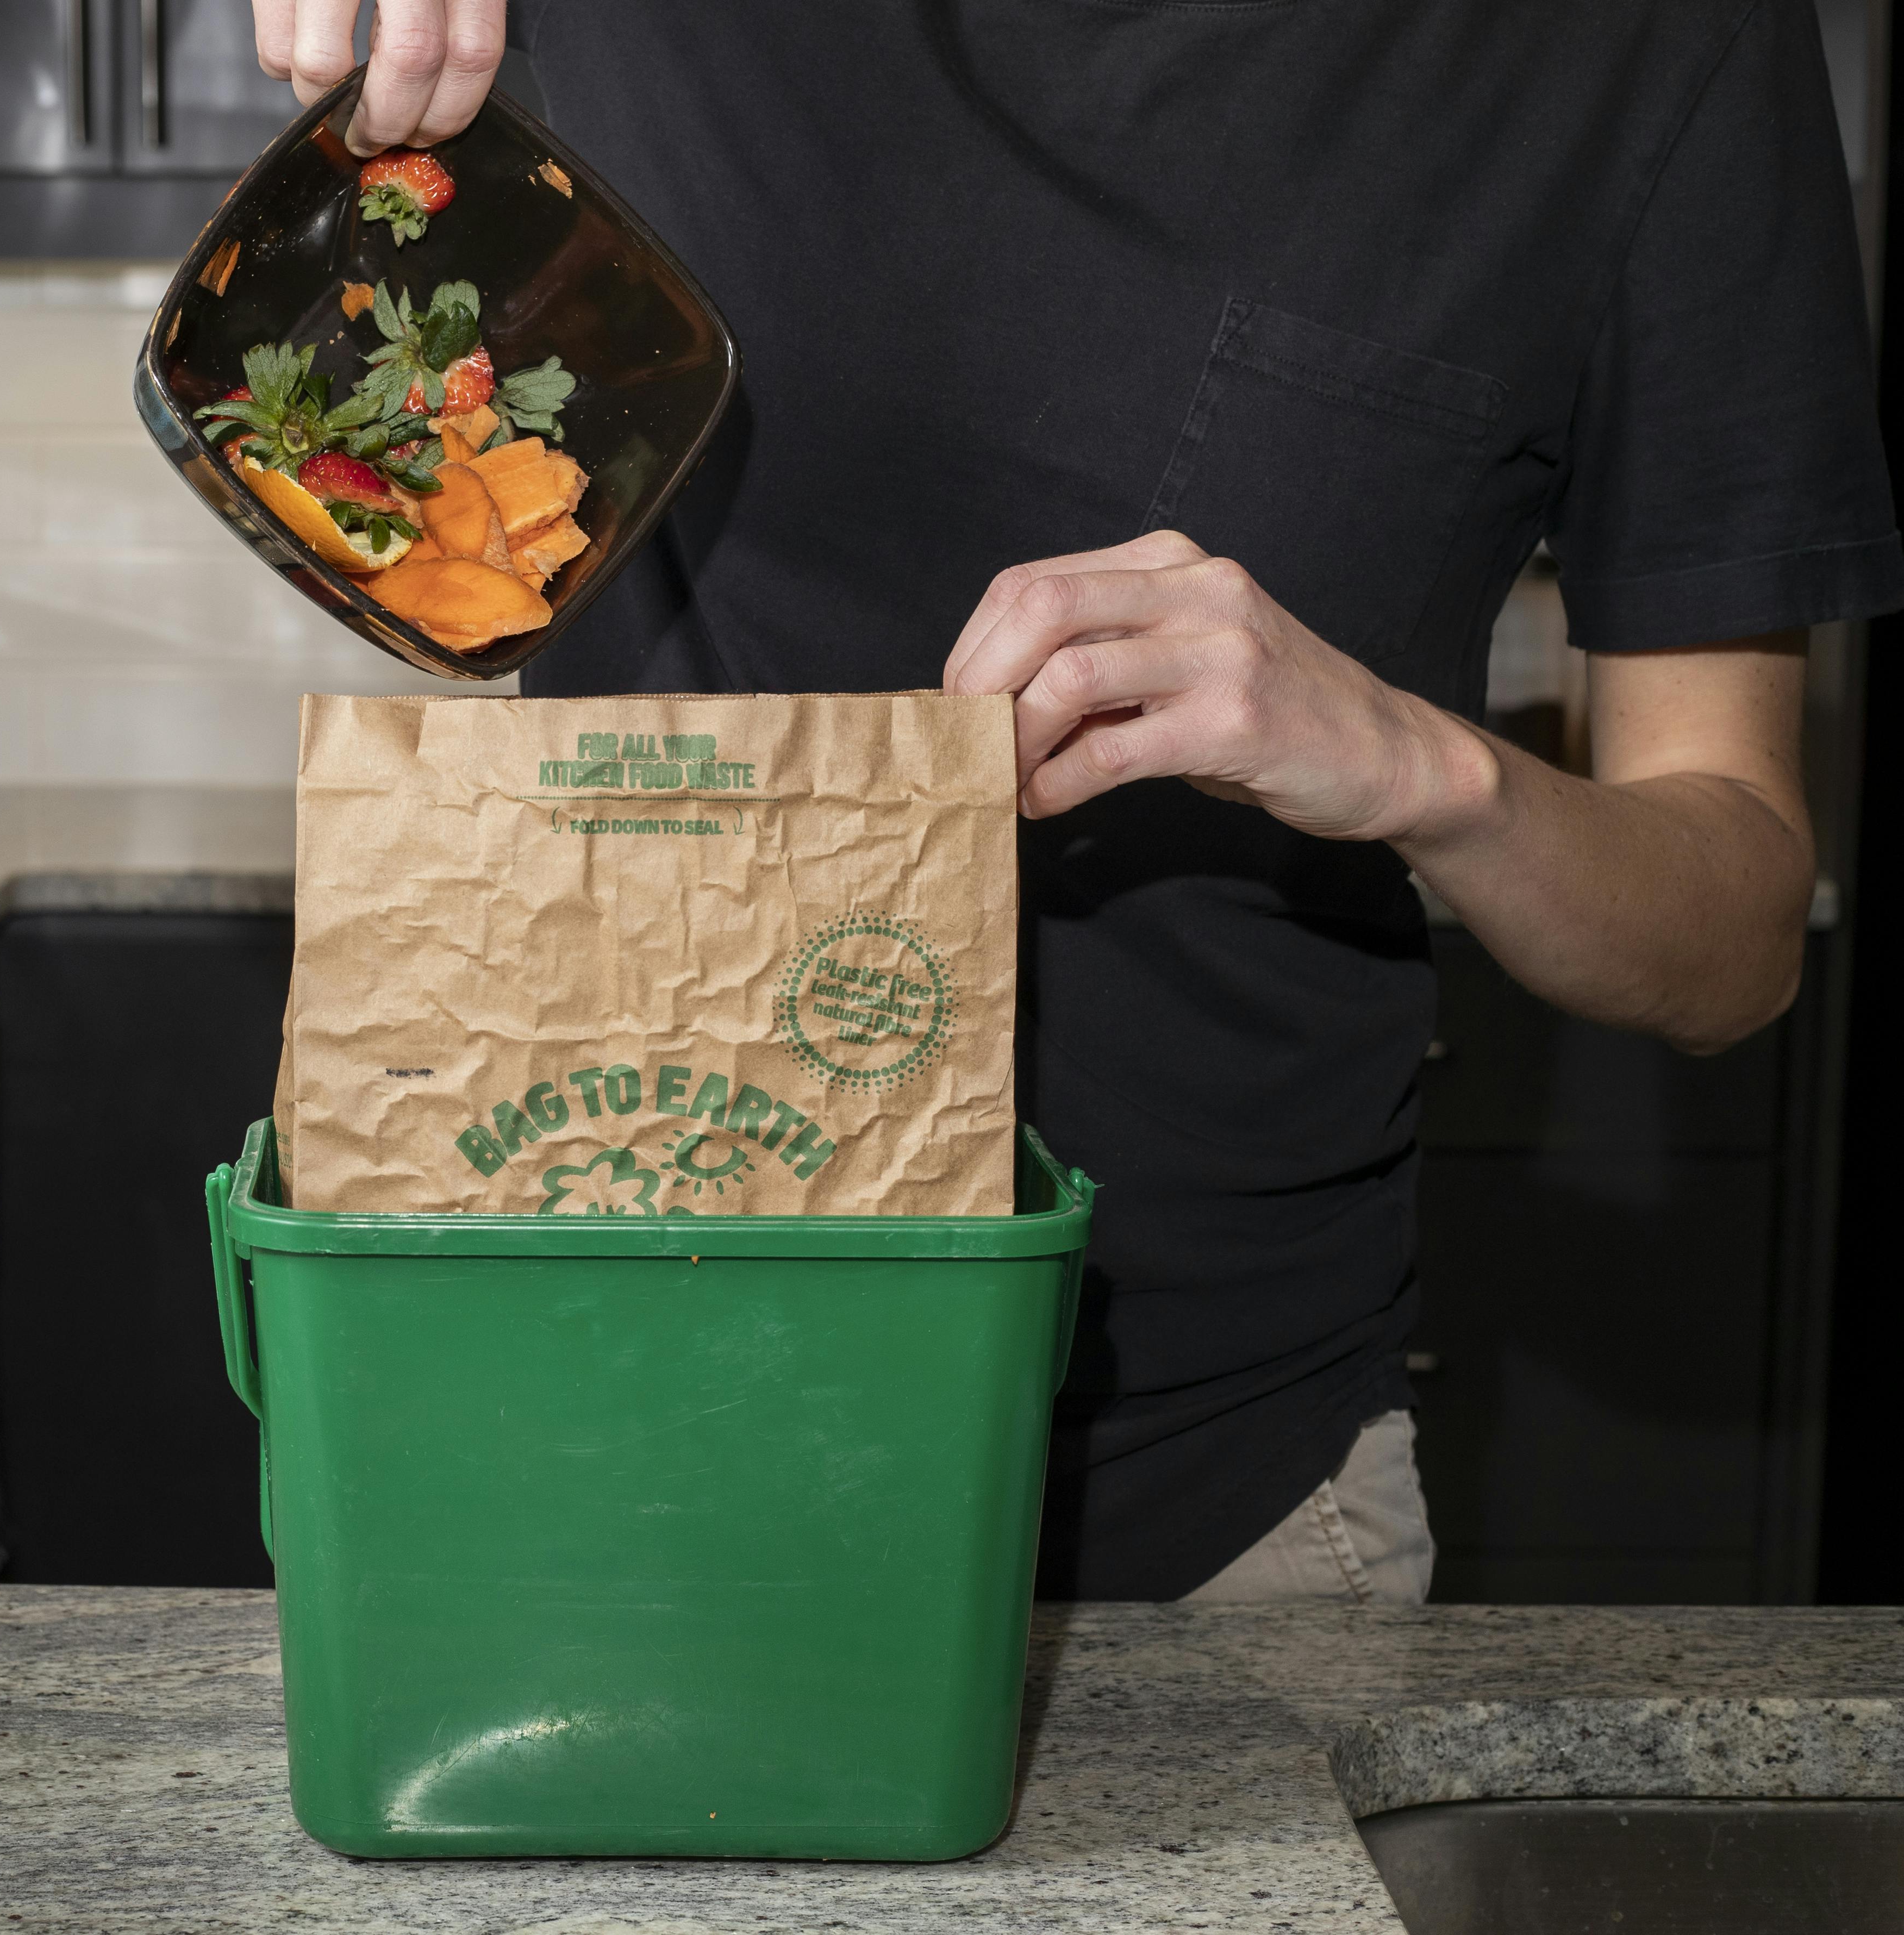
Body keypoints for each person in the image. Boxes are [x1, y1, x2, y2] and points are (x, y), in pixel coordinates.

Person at [252, 0, 1903, 1601]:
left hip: (1218, 1517)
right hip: (577, 1452)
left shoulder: (1656, 50)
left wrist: (1421, 769)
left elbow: (1733, 937)